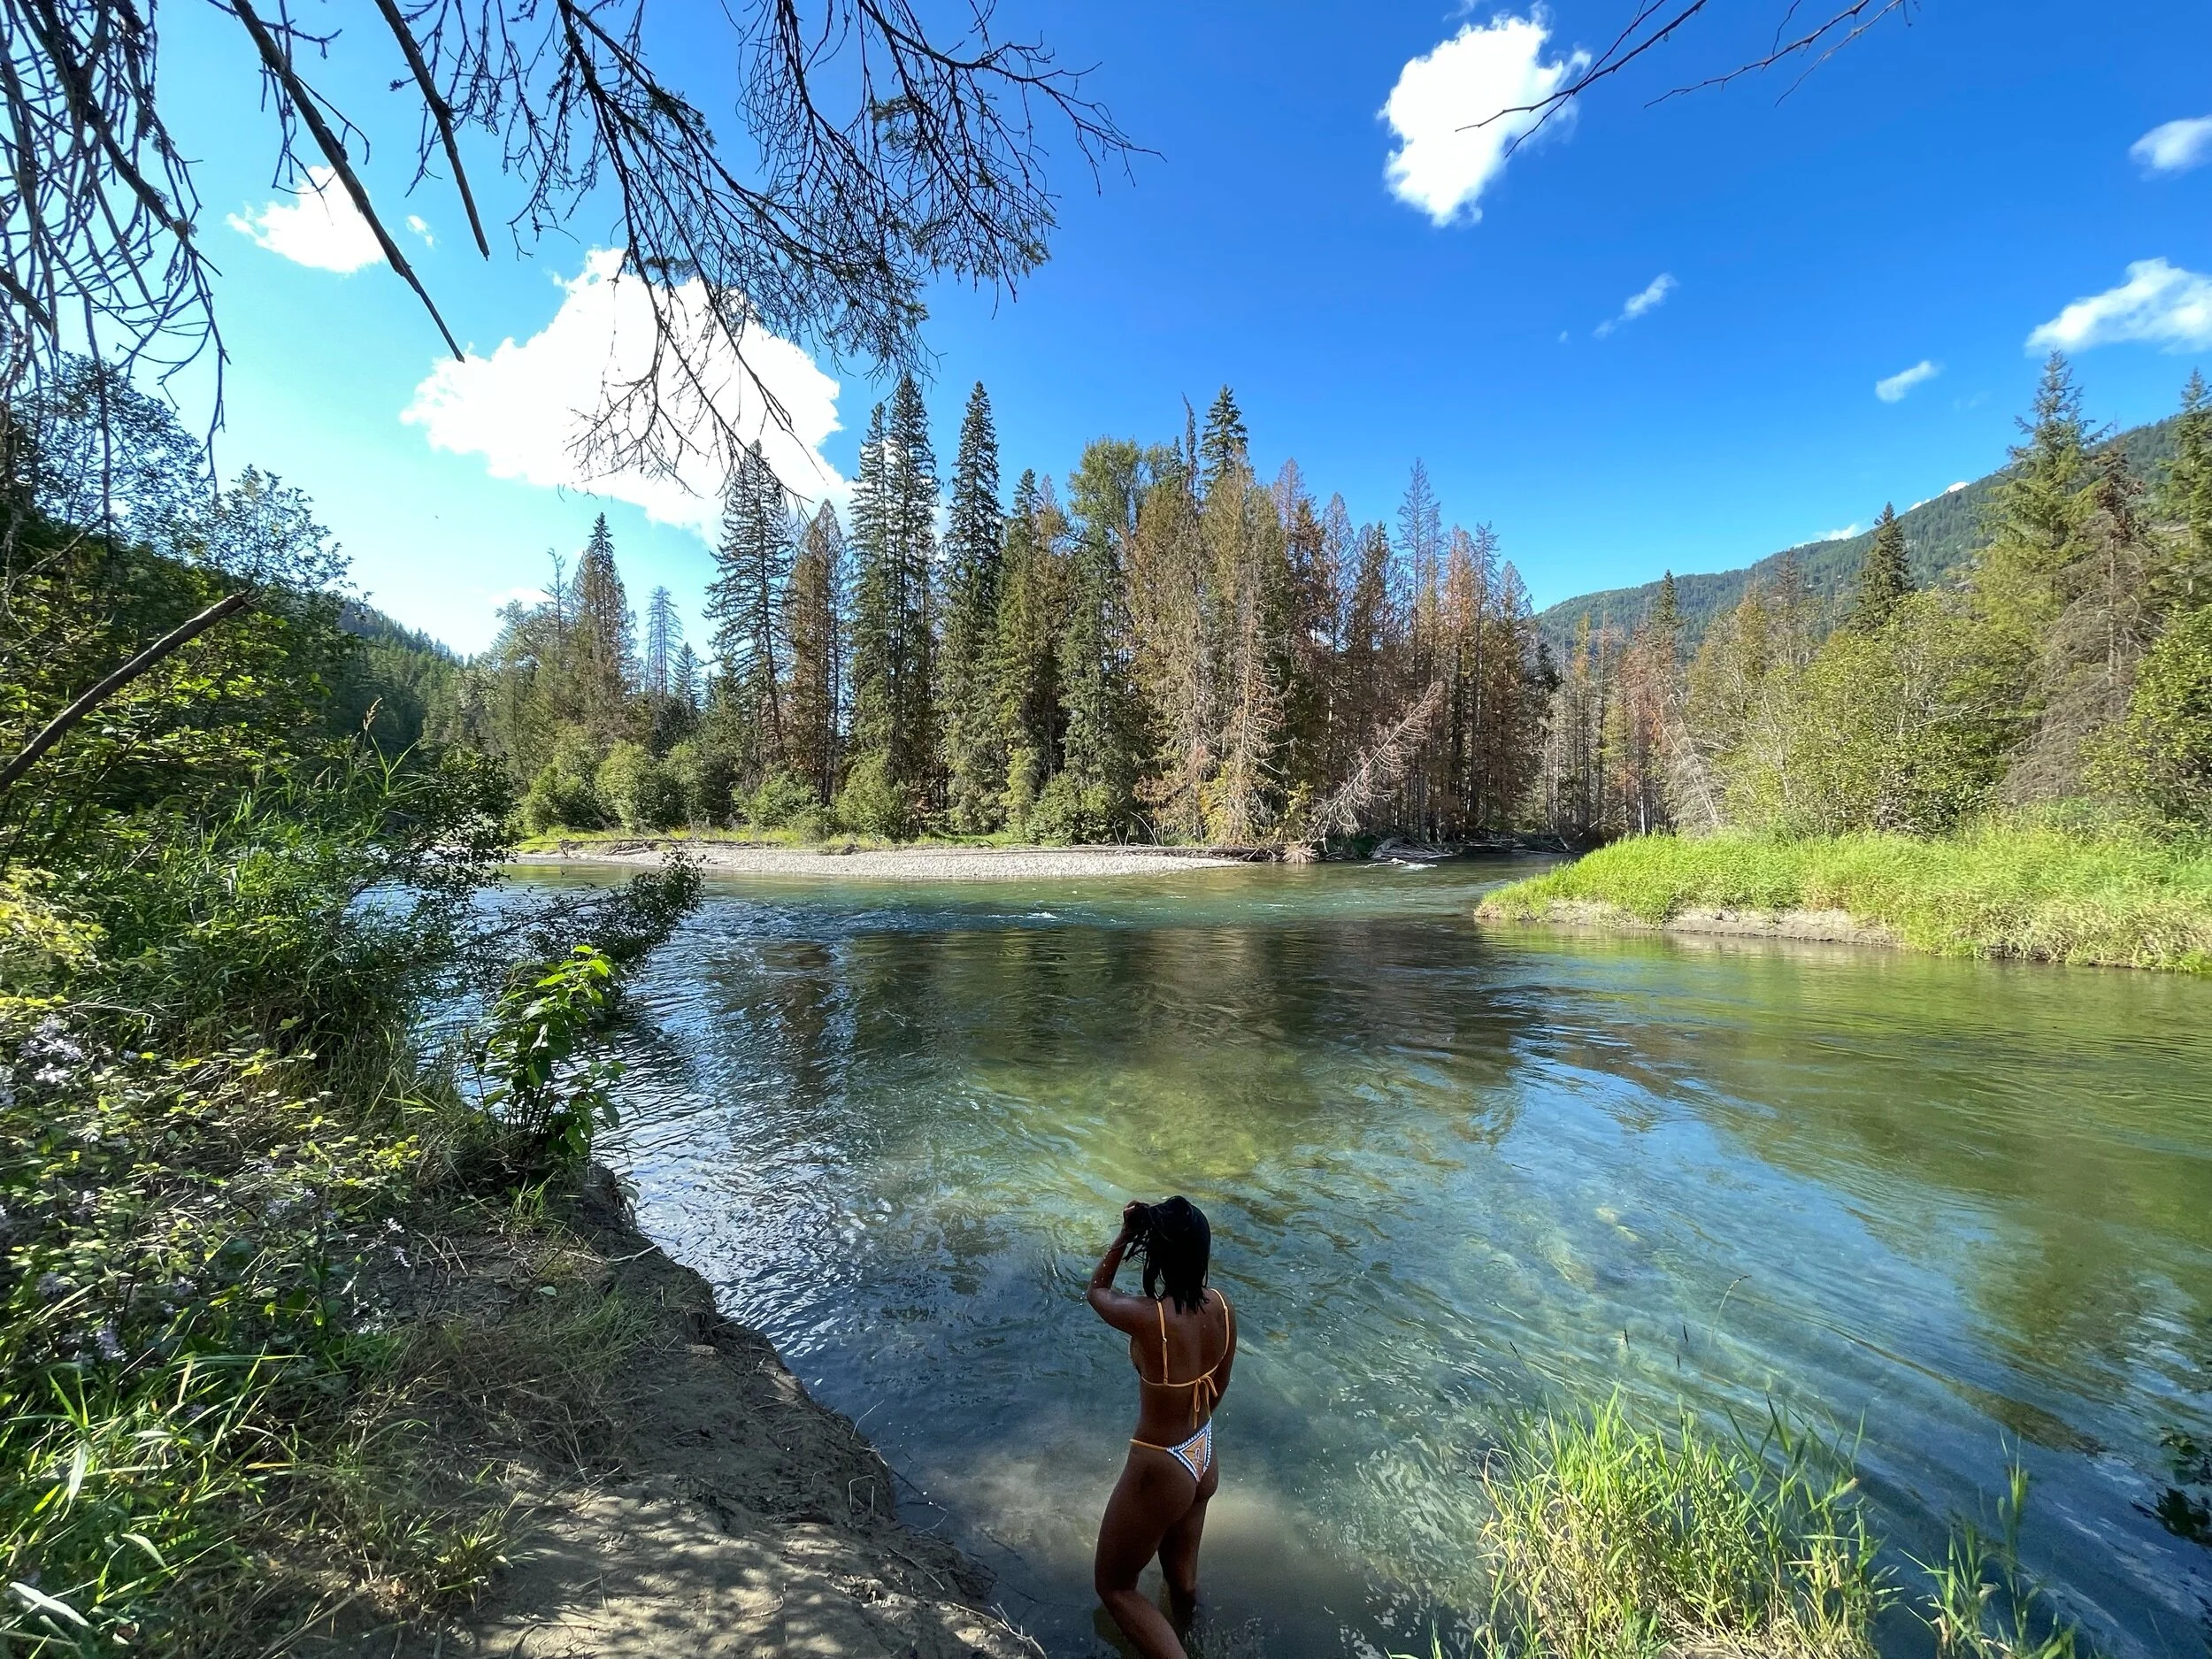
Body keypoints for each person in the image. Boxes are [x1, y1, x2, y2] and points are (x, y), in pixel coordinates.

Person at [1087, 1195, 1237, 1659]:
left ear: (1160, 1255)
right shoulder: (1223, 1308)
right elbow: (1218, 1390)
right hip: (1203, 1451)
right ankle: (1193, 1636)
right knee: (1183, 1584)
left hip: (1162, 1463)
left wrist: (1126, 1234)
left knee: (1115, 1587)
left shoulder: (1150, 1318)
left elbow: (1096, 1291)